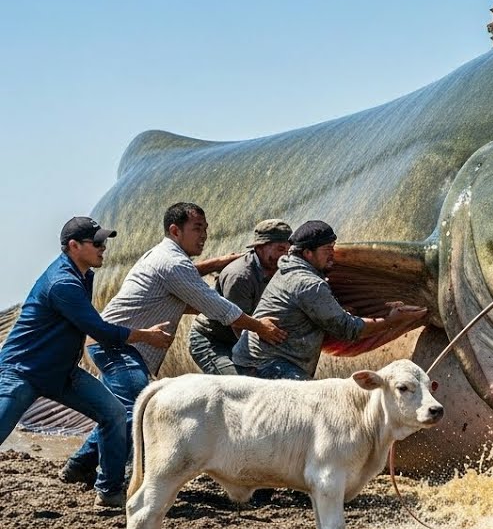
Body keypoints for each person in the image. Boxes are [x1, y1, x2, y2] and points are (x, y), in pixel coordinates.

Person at [59, 203, 288, 486]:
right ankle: (111, 486)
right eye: (197, 229)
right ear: (175, 230)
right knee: (139, 412)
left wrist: (214, 265)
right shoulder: (173, 263)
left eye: (205, 228)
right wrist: (259, 327)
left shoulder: (165, 256)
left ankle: (79, 465)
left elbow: (184, 290)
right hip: (117, 343)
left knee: (120, 411)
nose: (203, 235)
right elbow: (214, 306)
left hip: (115, 343)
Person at [0, 217, 172, 506]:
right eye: (97, 243)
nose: (104, 248)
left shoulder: (84, 276)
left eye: (104, 242)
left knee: (115, 413)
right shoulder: (62, 283)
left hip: (63, 373)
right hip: (23, 372)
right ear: (73, 246)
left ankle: (109, 492)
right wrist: (145, 336)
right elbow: (99, 329)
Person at [233, 220, 429, 380]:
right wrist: (393, 321)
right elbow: (348, 329)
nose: (332, 253)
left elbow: (313, 310)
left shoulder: (290, 268)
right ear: (308, 253)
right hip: (265, 366)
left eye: (333, 247)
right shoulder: (308, 283)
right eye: (327, 248)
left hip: (252, 361)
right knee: (311, 410)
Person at [188, 219, 292, 375]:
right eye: (280, 249)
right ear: (260, 248)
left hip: (245, 335)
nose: (284, 255)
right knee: (240, 384)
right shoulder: (239, 276)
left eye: (288, 251)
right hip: (213, 340)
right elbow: (237, 323)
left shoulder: (281, 268)